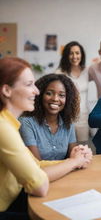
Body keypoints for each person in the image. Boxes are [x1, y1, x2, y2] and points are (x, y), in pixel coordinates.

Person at [0, 57, 92, 219]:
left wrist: (78, 158)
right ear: (7, 91)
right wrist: (73, 162)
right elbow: (39, 186)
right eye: (29, 85)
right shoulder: (3, 128)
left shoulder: (9, 124)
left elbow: (36, 165)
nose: (36, 91)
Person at [20, 74, 80, 160]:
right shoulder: (27, 122)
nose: (55, 99)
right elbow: (37, 164)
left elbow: (74, 157)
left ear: (68, 99)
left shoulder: (68, 123)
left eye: (61, 95)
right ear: (39, 95)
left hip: (64, 172)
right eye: (49, 93)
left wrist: (81, 153)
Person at [56, 41, 90, 144]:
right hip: (65, 117)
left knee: (83, 146)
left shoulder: (87, 70)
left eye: (77, 53)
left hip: (83, 117)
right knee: (66, 148)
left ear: (81, 55)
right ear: (66, 55)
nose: (74, 56)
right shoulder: (59, 73)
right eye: (71, 53)